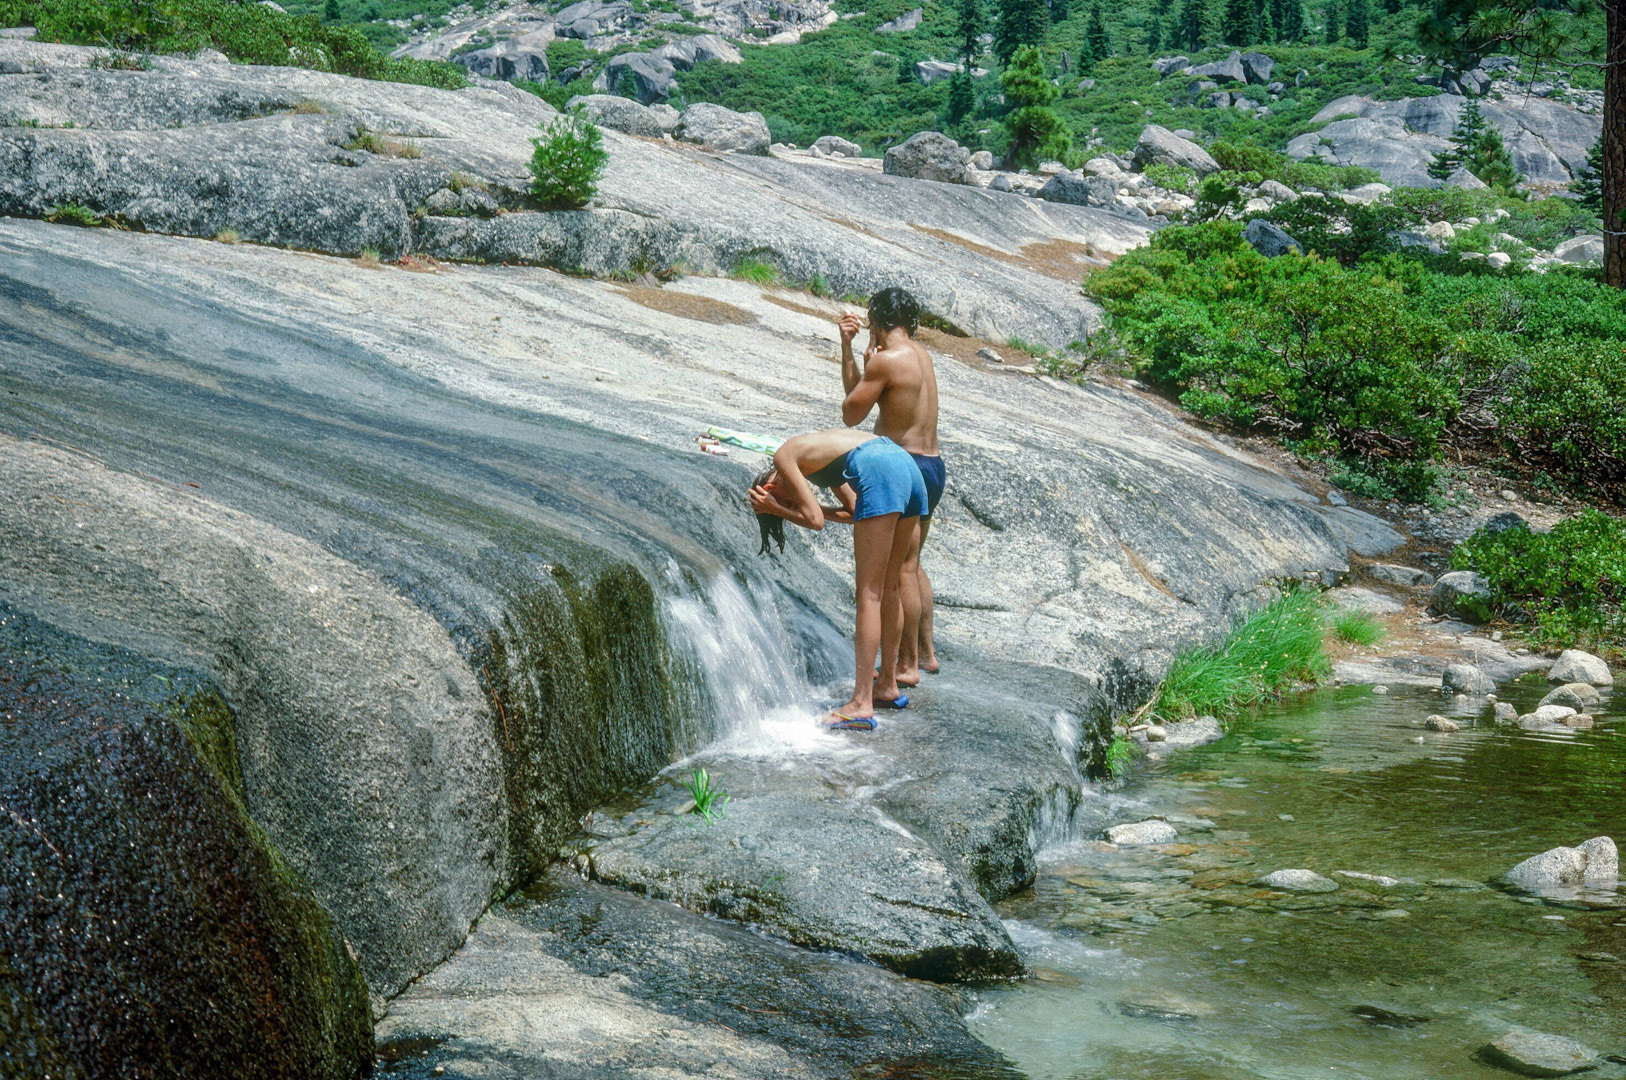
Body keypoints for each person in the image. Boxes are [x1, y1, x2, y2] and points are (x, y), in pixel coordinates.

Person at [747, 428, 927, 730]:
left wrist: (777, 509)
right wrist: (793, 508)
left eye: (785, 502)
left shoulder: (784, 456)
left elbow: (814, 521)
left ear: (768, 486)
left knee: (869, 595)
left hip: (880, 468)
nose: (793, 505)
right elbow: (854, 510)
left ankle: (860, 703)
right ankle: (886, 685)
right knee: (889, 587)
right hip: (904, 464)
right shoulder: (818, 464)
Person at [837, 287, 944, 687]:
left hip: (904, 466)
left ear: (877, 322)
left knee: (898, 572)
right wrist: (856, 351)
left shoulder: (886, 361)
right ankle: (926, 656)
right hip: (932, 465)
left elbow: (851, 413)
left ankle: (906, 666)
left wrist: (859, 355)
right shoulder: (921, 355)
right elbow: (863, 396)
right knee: (912, 565)